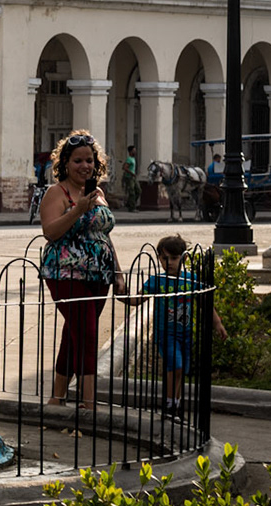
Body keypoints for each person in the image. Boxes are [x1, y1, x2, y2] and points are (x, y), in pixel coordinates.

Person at [38, 130, 127, 411]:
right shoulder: (57, 192)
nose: (84, 166)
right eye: (78, 161)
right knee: (87, 334)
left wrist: (118, 272)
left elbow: (104, 235)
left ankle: (57, 397)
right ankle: (89, 404)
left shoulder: (97, 193)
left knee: (74, 332)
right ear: (65, 163)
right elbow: (50, 232)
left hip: (99, 276)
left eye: (89, 160)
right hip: (66, 275)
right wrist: (77, 210)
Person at [124, 234, 226, 419]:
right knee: (175, 366)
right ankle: (169, 406)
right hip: (166, 333)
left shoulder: (190, 279)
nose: (168, 262)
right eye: (164, 258)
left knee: (181, 370)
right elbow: (137, 300)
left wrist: (217, 323)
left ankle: (175, 406)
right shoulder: (157, 281)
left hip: (186, 333)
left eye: (173, 258)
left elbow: (205, 302)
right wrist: (122, 294)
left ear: (184, 258)